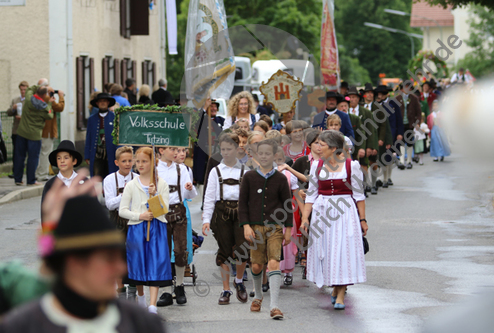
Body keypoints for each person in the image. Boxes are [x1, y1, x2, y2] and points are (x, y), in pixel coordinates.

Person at [0, 172, 166, 332]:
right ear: (75, 264)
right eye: (108, 259)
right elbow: (41, 276)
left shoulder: (141, 323)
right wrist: (48, 232)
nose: (120, 269)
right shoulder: (25, 325)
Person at [301, 130, 368, 310]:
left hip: (345, 212)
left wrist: (363, 220)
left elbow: (359, 196)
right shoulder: (316, 166)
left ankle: (340, 294)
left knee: (343, 250)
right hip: (322, 213)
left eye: (322, 145)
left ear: (333, 148)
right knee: (328, 251)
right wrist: (305, 218)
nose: (318, 147)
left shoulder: (351, 166)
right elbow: (311, 195)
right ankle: (335, 287)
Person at [239, 139, 293, 320]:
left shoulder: (280, 178)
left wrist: (288, 228)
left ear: (275, 156)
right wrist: (246, 225)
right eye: (260, 153)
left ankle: (274, 306)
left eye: (267, 153)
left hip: (275, 228)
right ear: (255, 155)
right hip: (255, 228)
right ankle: (258, 296)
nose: (264, 156)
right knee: (256, 265)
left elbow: (287, 204)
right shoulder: (249, 177)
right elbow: (242, 204)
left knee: (273, 263)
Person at [119, 147, 172, 314]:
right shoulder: (131, 185)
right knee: (138, 263)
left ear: (153, 162)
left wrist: (154, 196)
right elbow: (122, 210)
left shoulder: (161, 183)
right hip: (137, 228)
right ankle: (141, 298)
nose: (140, 164)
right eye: (138, 161)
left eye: (144, 161)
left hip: (156, 228)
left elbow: (164, 210)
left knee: (155, 263)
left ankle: (153, 305)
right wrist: (139, 215)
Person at [202, 133, 248, 305]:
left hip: (241, 212)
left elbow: (249, 198)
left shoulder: (245, 170)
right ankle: (226, 289)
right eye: (223, 149)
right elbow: (209, 197)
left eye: (229, 149)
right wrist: (206, 219)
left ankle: (239, 280)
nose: (226, 152)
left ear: (237, 149)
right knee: (224, 251)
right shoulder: (216, 171)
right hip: (221, 212)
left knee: (242, 250)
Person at [156, 146, 197, 306]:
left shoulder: (182, 168)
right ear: (161, 150)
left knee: (180, 249)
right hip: (160, 212)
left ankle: (179, 286)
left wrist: (190, 188)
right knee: (163, 251)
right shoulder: (154, 168)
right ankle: (166, 290)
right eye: (171, 149)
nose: (175, 152)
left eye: (176, 149)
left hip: (178, 210)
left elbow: (191, 195)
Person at [103, 146, 138, 300]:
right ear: (117, 162)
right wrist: (126, 195)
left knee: (133, 255)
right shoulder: (110, 179)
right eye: (124, 161)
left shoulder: (137, 178)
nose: (127, 164)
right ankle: (120, 290)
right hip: (116, 220)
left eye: (130, 160)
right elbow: (110, 204)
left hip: (133, 219)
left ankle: (132, 289)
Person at [14, 85, 54, 186]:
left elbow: (29, 89)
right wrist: (49, 102)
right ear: (45, 95)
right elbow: (50, 115)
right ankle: (31, 180)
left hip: (22, 132)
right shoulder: (44, 108)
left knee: (19, 156)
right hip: (35, 136)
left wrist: (41, 86)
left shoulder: (28, 99)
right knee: (33, 158)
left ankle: (18, 179)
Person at [274, 147, 302, 286]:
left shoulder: (289, 175)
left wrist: (305, 216)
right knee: (273, 241)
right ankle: (272, 272)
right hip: (271, 212)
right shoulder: (266, 173)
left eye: (279, 159)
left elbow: (297, 195)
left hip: (286, 212)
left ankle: (288, 272)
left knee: (288, 242)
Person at [41, 140, 83, 223]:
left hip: (80, 231)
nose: (62, 161)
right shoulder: (51, 184)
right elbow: (45, 212)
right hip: (58, 230)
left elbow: (91, 209)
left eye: (66, 158)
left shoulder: (83, 182)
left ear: (74, 161)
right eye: (59, 158)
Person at [347, 86, 378, 193]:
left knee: (363, 165)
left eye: (354, 97)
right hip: (349, 142)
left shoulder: (366, 112)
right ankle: (354, 187)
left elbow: (371, 130)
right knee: (350, 166)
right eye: (350, 97)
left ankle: (365, 186)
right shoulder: (345, 111)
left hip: (363, 142)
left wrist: (370, 146)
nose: (352, 99)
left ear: (358, 99)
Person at [374, 85, 404, 188]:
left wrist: (400, 133)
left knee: (389, 155)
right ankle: (378, 178)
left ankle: (387, 178)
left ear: (386, 94)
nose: (379, 95)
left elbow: (399, 119)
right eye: (378, 94)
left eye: (381, 93)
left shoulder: (393, 103)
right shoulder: (375, 104)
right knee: (378, 156)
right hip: (379, 134)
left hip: (392, 132)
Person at [84, 93, 118, 178]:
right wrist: (87, 155)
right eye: (100, 101)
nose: (102, 103)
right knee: (96, 176)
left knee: (111, 175)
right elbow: (89, 137)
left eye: (104, 101)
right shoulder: (92, 119)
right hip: (97, 152)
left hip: (111, 152)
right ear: (97, 103)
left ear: (108, 103)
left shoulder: (114, 117)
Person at [36, 87, 65, 181]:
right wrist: (61, 97)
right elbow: (59, 108)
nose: (52, 94)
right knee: (45, 153)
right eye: (51, 92)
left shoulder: (38, 99)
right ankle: (42, 174)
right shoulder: (47, 100)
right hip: (47, 131)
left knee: (39, 153)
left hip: (41, 131)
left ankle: (38, 173)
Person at [395, 82, 422, 170]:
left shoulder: (414, 98)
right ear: (402, 89)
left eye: (408, 87)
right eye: (404, 87)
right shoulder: (397, 98)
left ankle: (409, 161)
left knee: (410, 142)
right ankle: (402, 161)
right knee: (401, 141)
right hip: (400, 124)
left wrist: (417, 123)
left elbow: (418, 112)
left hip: (410, 124)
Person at [6, 81, 29, 179]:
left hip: (27, 130)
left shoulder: (29, 100)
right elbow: (8, 112)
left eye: (25, 89)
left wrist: (23, 117)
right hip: (16, 130)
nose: (23, 91)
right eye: (21, 89)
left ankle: (29, 171)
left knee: (28, 152)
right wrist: (13, 109)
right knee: (17, 152)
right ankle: (15, 171)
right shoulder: (15, 100)